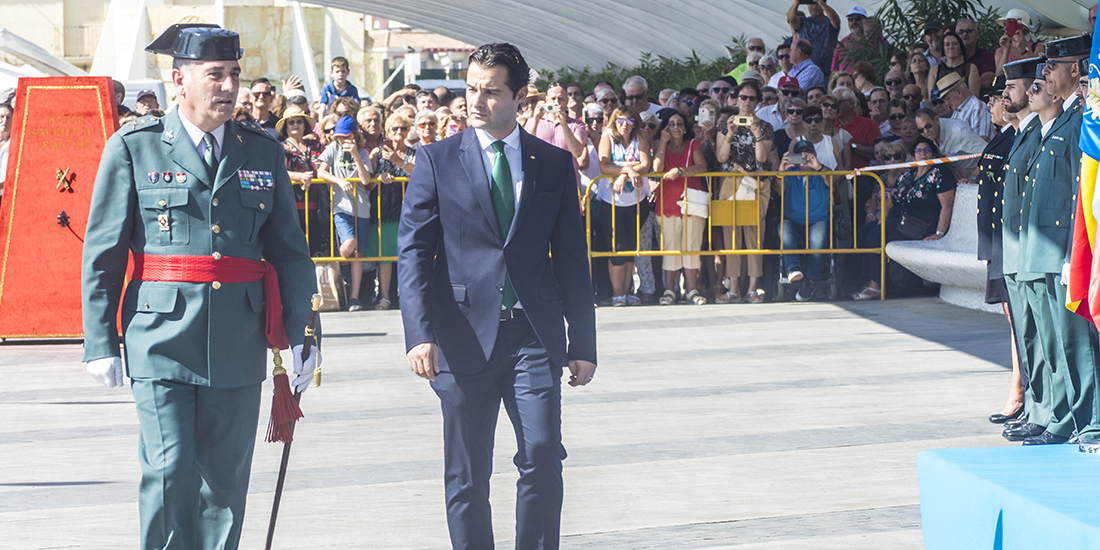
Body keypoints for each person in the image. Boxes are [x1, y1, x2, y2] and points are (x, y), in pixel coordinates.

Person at [81, 24, 318, 550]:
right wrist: (99, 340)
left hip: (238, 336)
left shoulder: (260, 150)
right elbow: (103, 251)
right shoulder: (134, 147)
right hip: (160, 335)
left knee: (225, 485)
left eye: (234, 74)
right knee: (169, 473)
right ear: (178, 80)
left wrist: (302, 332)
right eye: (216, 75)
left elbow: (288, 253)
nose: (229, 86)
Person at [398, 42, 597, 550]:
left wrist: (583, 344)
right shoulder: (437, 160)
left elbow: (573, 258)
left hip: (533, 336)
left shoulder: (553, 164)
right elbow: (414, 254)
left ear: (520, 97)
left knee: (543, 455)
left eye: (490, 92)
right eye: (470, 90)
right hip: (460, 338)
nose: (475, 101)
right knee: (467, 473)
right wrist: (419, 335)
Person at [1014, 35, 1098, 445]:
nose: (1044, 75)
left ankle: (1092, 421)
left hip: (1061, 247)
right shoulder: (1062, 121)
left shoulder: (1083, 119)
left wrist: (1072, 252)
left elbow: (1076, 193)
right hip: (1042, 248)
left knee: (1076, 342)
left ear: (1077, 70)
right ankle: (1066, 417)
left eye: (1051, 67)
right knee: (1055, 342)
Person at [998, 57, 1046, 443]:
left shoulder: (1039, 133)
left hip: (1038, 247)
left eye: (1012, 87)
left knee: (1050, 339)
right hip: (1019, 248)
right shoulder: (1023, 134)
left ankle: (1056, 413)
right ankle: (1039, 408)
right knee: (1031, 336)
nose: (1006, 94)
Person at [973, 75, 1025, 426]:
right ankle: (1020, 392)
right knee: (1014, 321)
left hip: (1010, 240)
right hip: (998, 240)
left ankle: (1020, 394)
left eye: (996, 97)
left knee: (1020, 322)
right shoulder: (1004, 137)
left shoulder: (1015, 137)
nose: (993, 104)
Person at [852, 137, 956, 299]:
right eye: (918, 151)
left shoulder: (939, 173)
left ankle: (875, 285)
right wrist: (881, 223)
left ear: (934, 154)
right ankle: (865, 282)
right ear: (913, 155)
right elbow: (889, 202)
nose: (923, 154)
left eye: (927, 150)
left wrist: (939, 232)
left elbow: (946, 206)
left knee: (875, 236)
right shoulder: (910, 173)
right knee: (864, 233)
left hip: (922, 225)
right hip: (903, 220)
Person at [715, 81, 775, 303]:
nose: (747, 102)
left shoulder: (766, 127)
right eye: (743, 97)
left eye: (751, 98)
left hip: (756, 183)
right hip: (731, 181)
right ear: (736, 98)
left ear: (758, 101)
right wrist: (730, 133)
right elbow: (721, 158)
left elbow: (762, 158)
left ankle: (752, 288)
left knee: (754, 236)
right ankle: (733, 289)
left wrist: (757, 134)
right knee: (732, 237)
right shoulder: (724, 125)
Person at [317, 116, 374, 311]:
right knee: (350, 243)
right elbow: (321, 172)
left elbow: (366, 181)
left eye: (346, 136)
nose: (342, 140)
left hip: (362, 208)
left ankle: (354, 297)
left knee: (358, 253)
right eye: (339, 137)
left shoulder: (363, 153)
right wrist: (339, 181)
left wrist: (356, 156)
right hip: (341, 207)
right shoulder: (333, 149)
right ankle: (343, 270)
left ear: (355, 135)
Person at [652, 108, 707, 305]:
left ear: (685, 128)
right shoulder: (661, 146)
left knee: (691, 246)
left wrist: (681, 171)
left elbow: (702, 167)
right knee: (670, 247)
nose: (676, 127)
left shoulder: (693, 144)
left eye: (680, 124)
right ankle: (669, 291)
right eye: (672, 124)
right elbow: (656, 169)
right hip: (667, 202)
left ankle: (691, 290)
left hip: (691, 203)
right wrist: (663, 143)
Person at [597, 106, 651, 306]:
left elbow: (645, 164)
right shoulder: (608, 136)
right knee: (617, 248)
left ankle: (627, 291)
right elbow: (604, 165)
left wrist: (625, 172)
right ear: (614, 121)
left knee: (630, 248)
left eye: (629, 121)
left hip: (636, 200)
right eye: (620, 120)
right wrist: (627, 171)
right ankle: (617, 293)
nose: (624, 125)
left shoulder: (641, 137)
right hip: (612, 202)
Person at [368, 113, 415, 311]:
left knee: (408, 256)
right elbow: (367, 183)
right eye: (394, 129)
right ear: (387, 131)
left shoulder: (414, 152)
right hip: (384, 210)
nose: (398, 133)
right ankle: (385, 297)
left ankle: (408, 298)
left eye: (403, 129)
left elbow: (419, 172)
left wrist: (396, 160)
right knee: (385, 257)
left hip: (409, 211)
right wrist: (378, 175)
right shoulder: (376, 153)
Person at [779, 139, 833, 301]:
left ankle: (813, 279)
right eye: (799, 154)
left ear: (815, 155)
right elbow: (778, 192)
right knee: (783, 227)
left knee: (819, 236)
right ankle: (793, 269)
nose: (803, 157)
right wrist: (781, 170)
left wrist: (818, 167)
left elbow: (832, 182)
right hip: (793, 220)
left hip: (818, 219)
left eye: (807, 154)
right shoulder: (789, 173)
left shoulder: (822, 171)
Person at [279, 106, 329, 256]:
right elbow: (279, 173)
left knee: (316, 246)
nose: (295, 125)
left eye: (299, 121)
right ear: (285, 127)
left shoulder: (315, 146)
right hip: (293, 202)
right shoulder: (281, 148)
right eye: (291, 122)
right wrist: (298, 177)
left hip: (316, 203)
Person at [913, 107, 985, 176]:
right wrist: (948, 166)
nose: (925, 131)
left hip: (975, 169)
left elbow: (987, 153)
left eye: (928, 126)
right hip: (950, 169)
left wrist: (974, 176)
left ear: (937, 119)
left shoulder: (959, 131)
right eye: (921, 130)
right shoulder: (926, 136)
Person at [787, 0, 840, 78]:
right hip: (806, 73)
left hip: (827, 73)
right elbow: (790, 19)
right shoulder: (802, 22)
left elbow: (836, 20)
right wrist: (797, 2)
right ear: (807, 5)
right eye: (811, 4)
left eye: (817, 4)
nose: (814, 7)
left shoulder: (829, 23)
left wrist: (821, 3)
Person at [833, 86, 879, 169]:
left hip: (861, 178)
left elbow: (877, 153)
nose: (834, 106)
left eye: (837, 102)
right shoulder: (830, 124)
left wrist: (852, 147)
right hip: (834, 178)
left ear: (851, 103)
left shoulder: (868, 124)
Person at [938, 72, 993, 141]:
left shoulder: (977, 107)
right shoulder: (958, 111)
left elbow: (981, 140)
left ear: (958, 92)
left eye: (948, 98)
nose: (946, 103)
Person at [930, 32, 981, 99]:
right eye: (947, 44)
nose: (951, 47)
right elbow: (931, 98)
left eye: (955, 44)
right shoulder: (934, 70)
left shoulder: (970, 68)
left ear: (960, 47)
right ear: (943, 49)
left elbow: (974, 97)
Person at [994, 9, 1045, 77]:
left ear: (1022, 27)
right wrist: (1006, 50)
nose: (1005, 28)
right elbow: (999, 74)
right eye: (1005, 24)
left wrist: (1023, 49)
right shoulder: (1000, 51)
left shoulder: (1037, 46)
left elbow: (1040, 67)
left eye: (1010, 24)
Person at [956, 18, 996, 92]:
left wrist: (957, 85)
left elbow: (986, 82)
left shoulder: (987, 56)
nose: (965, 34)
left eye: (969, 31)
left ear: (976, 35)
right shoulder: (949, 58)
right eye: (960, 32)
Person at [831, 5, 867, 74]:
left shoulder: (873, 40)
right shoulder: (841, 44)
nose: (854, 21)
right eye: (850, 19)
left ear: (865, 20)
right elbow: (834, 70)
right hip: (846, 83)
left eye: (858, 18)